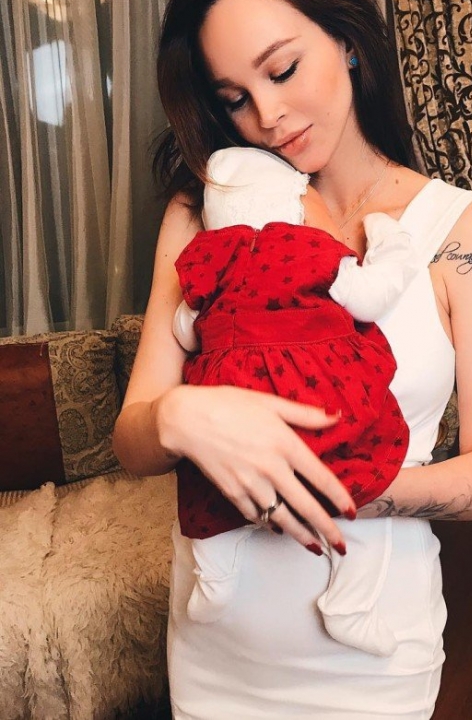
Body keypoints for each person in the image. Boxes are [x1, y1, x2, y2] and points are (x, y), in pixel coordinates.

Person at [112, 0, 472, 718]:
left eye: (282, 70)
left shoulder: (462, 234)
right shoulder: (202, 215)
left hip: (374, 664)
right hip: (215, 655)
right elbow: (132, 440)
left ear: (345, 39)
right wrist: (175, 416)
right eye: (234, 98)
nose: (266, 115)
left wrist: (335, 488)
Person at [172, 145, 420, 657]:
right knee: (360, 481)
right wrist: (389, 241)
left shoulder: (212, 259)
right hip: (310, 398)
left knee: (208, 486)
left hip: (235, 410)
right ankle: (349, 603)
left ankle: (215, 579)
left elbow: (185, 329)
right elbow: (371, 296)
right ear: (295, 201)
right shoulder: (308, 247)